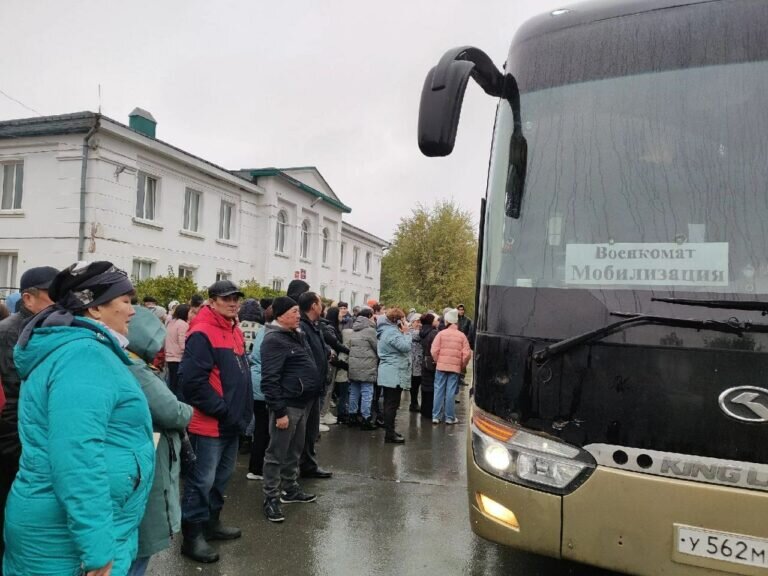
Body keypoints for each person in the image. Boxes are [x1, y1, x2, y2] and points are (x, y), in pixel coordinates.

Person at [4, 261, 154, 576]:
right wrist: (98, 548)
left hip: (63, 530)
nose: (132, 311)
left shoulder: (80, 349)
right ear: (95, 309)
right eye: (126, 301)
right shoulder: (85, 355)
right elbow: (77, 457)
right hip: (65, 541)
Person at [179, 280, 252, 564]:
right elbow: (193, 383)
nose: (233, 303)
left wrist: (241, 414)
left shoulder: (233, 328)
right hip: (209, 424)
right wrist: (223, 410)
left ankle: (212, 522)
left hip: (230, 422)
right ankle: (192, 536)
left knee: (221, 479)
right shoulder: (202, 332)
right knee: (201, 481)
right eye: (226, 298)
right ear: (212, 301)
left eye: (236, 298)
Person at [126, 307, 193, 576]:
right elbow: (172, 411)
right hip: (144, 458)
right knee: (140, 544)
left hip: (138, 456)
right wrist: (187, 410)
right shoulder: (136, 369)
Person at [0, 266, 58, 566]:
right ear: (28, 298)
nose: (61, 302)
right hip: (15, 449)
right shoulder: (11, 333)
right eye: (53, 295)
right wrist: (22, 452)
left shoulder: (44, 329)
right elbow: (12, 401)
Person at [260, 297, 323, 522]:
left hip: (302, 403)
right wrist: (279, 412)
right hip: (287, 405)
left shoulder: (296, 335)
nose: (299, 316)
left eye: (298, 311)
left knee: (294, 451)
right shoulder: (274, 340)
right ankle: (271, 498)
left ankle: (290, 488)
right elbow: (270, 379)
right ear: (281, 315)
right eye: (294, 312)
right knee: (276, 453)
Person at [297, 291, 333, 478]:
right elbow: (306, 357)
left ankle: (309, 464)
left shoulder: (314, 325)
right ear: (313, 306)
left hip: (316, 386)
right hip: (308, 387)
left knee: (311, 430)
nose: (322, 307)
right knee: (302, 431)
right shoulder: (302, 327)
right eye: (320, 303)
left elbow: (318, 348)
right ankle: (298, 467)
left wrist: (327, 352)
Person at [376, 308, 412, 444]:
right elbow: (405, 347)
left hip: (390, 372)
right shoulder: (392, 332)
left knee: (389, 403)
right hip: (393, 373)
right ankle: (389, 434)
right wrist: (407, 334)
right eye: (403, 319)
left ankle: (390, 430)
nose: (405, 322)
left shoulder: (388, 331)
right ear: (398, 321)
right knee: (391, 404)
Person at [431, 308, 472, 425]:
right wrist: (462, 364)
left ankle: (436, 416)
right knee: (450, 392)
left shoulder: (440, 334)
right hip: (454, 368)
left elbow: (434, 350)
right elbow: (467, 353)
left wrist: (438, 360)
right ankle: (449, 417)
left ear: (447, 321)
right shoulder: (462, 336)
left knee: (438, 390)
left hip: (441, 366)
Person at [247, 305, 273, 481]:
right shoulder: (270, 334)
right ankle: (256, 468)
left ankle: (256, 466)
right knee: (263, 428)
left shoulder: (263, 330)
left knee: (260, 427)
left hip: (256, 381)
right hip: (263, 383)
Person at [347, 307, 378, 430]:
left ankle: (352, 416)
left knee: (354, 391)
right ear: (370, 316)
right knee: (367, 392)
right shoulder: (370, 331)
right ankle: (366, 418)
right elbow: (377, 348)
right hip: (367, 366)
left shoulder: (354, 329)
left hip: (354, 365)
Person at [319, 306, 350, 426]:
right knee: (327, 389)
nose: (341, 316)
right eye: (339, 314)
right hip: (330, 360)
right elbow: (334, 343)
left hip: (333, 359)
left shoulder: (330, 327)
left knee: (330, 388)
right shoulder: (328, 327)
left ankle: (325, 412)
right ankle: (322, 415)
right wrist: (348, 351)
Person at [165, 303, 190, 400]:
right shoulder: (182, 324)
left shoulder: (171, 322)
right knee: (179, 387)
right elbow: (183, 344)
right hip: (178, 358)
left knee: (172, 384)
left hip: (170, 357)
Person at [419, 313, 438, 420]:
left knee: (425, 385)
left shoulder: (422, 332)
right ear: (431, 321)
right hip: (431, 361)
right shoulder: (433, 333)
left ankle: (424, 409)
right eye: (435, 319)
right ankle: (429, 411)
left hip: (424, 361)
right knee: (431, 386)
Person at [408, 313, 423, 412]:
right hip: (412, 362)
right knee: (414, 384)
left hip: (419, 361)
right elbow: (417, 336)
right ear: (412, 322)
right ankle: (413, 403)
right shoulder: (410, 332)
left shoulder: (420, 332)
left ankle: (415, 403)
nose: (419, 324)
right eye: (417, 322)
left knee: (417, 384)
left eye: (420, 322)